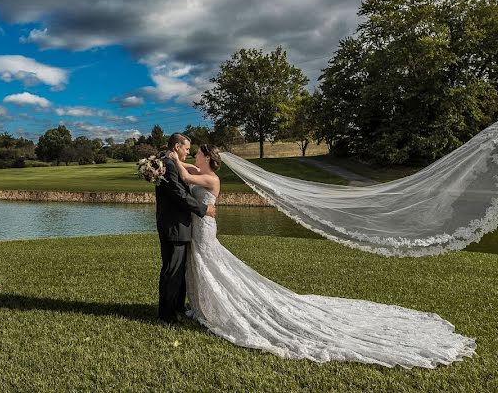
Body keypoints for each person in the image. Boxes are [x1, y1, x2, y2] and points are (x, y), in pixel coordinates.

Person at [167, 144, 477, 369]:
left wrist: (169, 159)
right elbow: (188, 172)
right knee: (203, 265)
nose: (193, 156)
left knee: (210, 264)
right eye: (191, 153)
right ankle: (204, 306)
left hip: (205, 228)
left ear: (207, 157)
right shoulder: (202, 171)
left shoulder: (209, 179)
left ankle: (215, 307)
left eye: (198, 153)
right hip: (201, 225)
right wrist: (175, 163)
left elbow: (186, 174)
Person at [154, 133, 216, 325]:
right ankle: (167, 315)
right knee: (172, 271)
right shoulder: (169, 165)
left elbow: (189, 174)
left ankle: (177, 307)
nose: (188, 152)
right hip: (174, 226)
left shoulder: (169, 163)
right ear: (176, 147)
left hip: (180, 226)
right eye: (186, 148)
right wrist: (204, 209)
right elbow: (179, 196)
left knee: (178, 271)